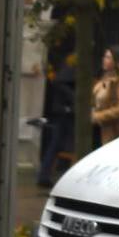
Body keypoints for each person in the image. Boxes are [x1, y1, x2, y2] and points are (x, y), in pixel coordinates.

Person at [36, 58, 75, 186]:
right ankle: (44, 175)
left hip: (62, 112)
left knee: (56, 145)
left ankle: (45, 175)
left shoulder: (65, 70)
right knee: (57, 145)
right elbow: (61, 84)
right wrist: (73, 99)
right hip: (64, 113)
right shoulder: (69, 71)